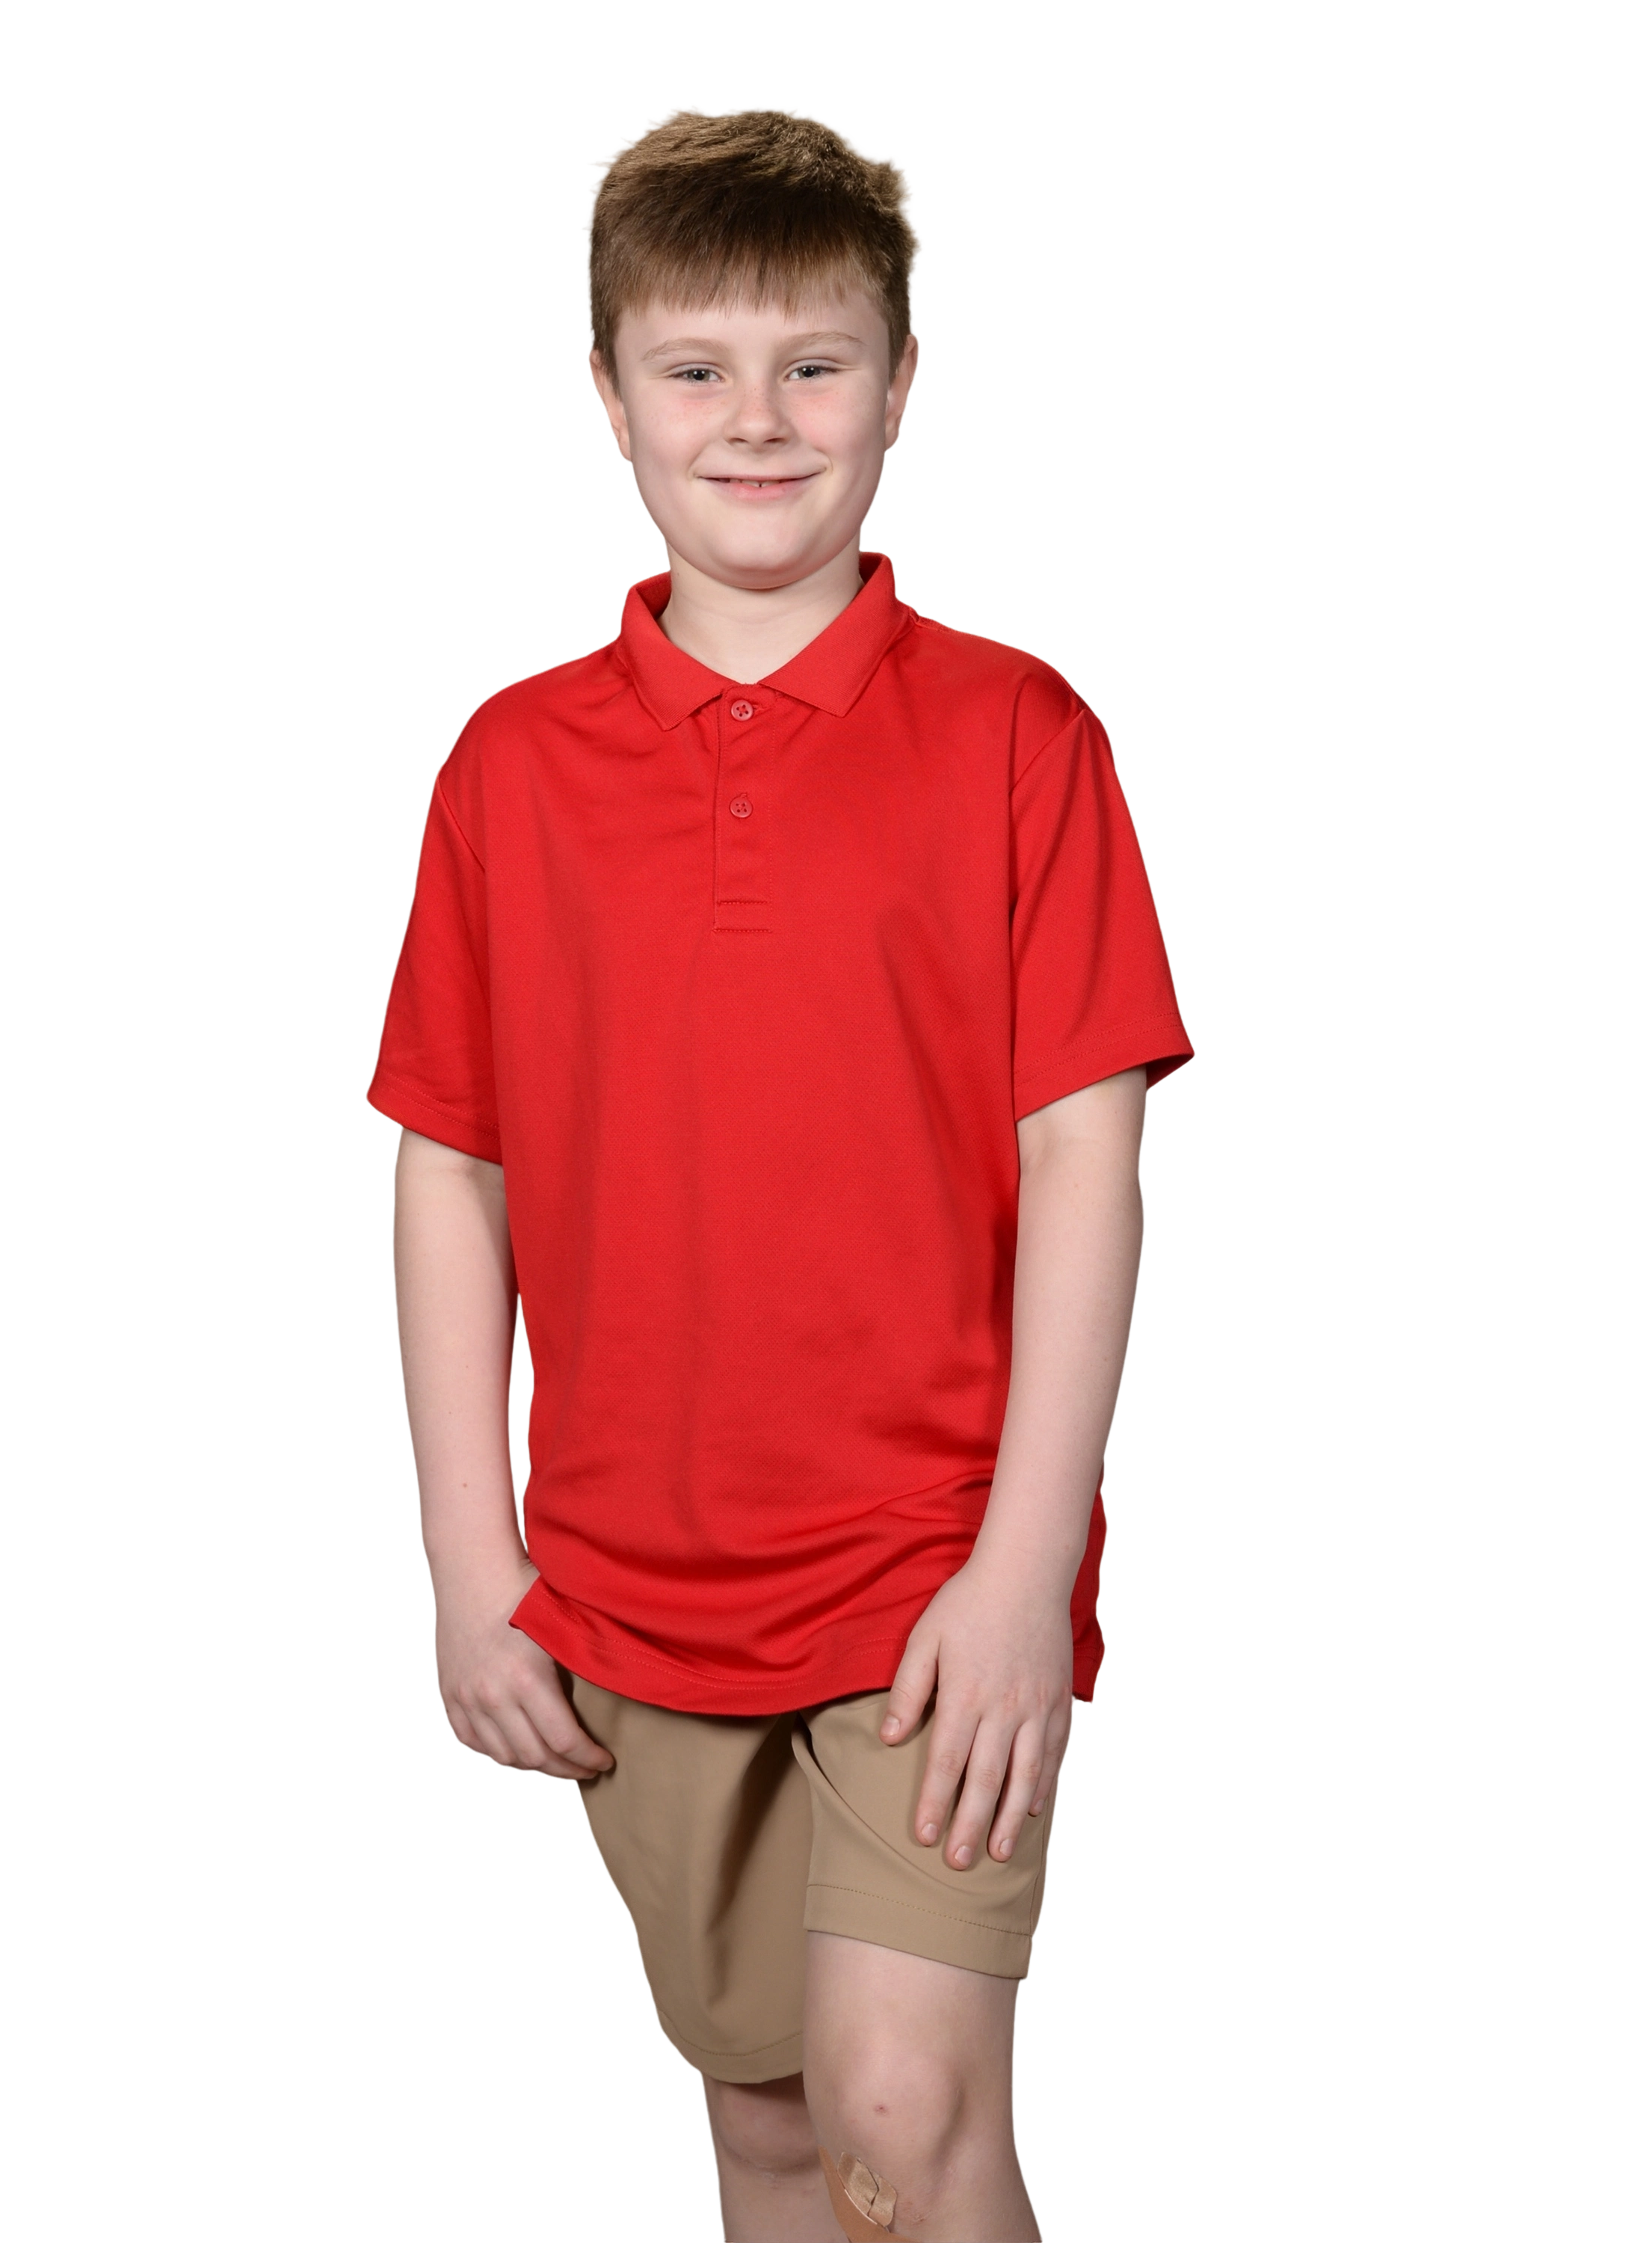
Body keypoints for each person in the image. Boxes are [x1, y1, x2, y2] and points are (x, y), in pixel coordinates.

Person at [363, 101, 1197, 2243]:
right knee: (770, 2130)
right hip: (631, 1574)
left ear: (900, 388)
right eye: (697, 367)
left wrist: (1024, 1567)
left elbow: (1088, 1164)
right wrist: (472, 1558)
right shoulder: (507, 765)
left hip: (933, 1564)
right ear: (608, 396)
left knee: (905, 2117)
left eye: (815, 364)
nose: (758, 419)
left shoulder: (1021, 738)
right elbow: (452, 1170)